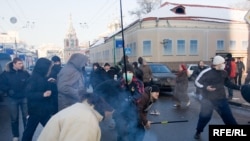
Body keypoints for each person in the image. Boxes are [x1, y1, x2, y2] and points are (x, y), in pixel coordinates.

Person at [194, 55, 241, 139]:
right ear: (217, 64)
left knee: (229, 118)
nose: (224, 65)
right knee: (204, 117)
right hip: (208, 100)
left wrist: (239, 87)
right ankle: (198, 131)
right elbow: (196, 82)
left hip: (221, 99)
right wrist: (206, 87)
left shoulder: (224, 72)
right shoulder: (206, 72)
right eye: (223, 63)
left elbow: (228, 83)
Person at [94, 63, 144, 141]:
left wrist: (129, 99)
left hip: (133, 111)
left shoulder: (138, 83)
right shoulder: (118, 82)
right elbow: (113, 94)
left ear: (133, 73)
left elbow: (139, 95)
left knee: (133, 130)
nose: (128, 74)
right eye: (125, 72)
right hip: (120, 111)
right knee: (121, 132)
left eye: (130, 72)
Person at [37, 93, 103, 141]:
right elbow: (64, 87)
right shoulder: (86, 121)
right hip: (38, 108)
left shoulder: (81, 110)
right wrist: (76, 92)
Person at [22, 58, 53, 141]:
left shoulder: (43, 77)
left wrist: (50, 83)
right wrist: (42, 94)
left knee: (52, 129)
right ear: (43, 67)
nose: (50, 70)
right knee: (29, 132)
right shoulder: (33, 78)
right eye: (49, 68)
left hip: (44, 110)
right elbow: (28, 94)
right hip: (36, 110)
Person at [0, 58, 30, 141]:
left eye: (22, 63)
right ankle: (15, 135)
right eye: (19, 63)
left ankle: (26, 134)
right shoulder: (6, 74)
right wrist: (8, 90)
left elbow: (30, 82)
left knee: (26, 117)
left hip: (24, 97)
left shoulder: (25, 73)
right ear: (14, 64)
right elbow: (1, 84)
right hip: (12, 98)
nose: (22, 65)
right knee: (14, 118)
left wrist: (27, 90)